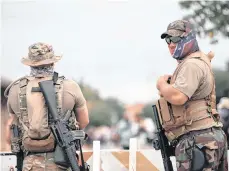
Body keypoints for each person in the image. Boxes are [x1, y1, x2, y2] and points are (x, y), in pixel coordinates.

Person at [4, 42, 89, 171]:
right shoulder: (70, 87)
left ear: (30, 64)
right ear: (53, 62)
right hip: (61, 161)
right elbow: (84, 121)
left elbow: (10, 135)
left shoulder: (15, 90)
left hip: (30, 164)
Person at [156, 20, 228, 170]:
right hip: (208, 137)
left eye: (175, 39)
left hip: (198, 139)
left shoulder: (191, 64)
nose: (170, 44)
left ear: (189, 38)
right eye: (168, 40)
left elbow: (178, 96)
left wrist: (162, 84)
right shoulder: (199, 61)